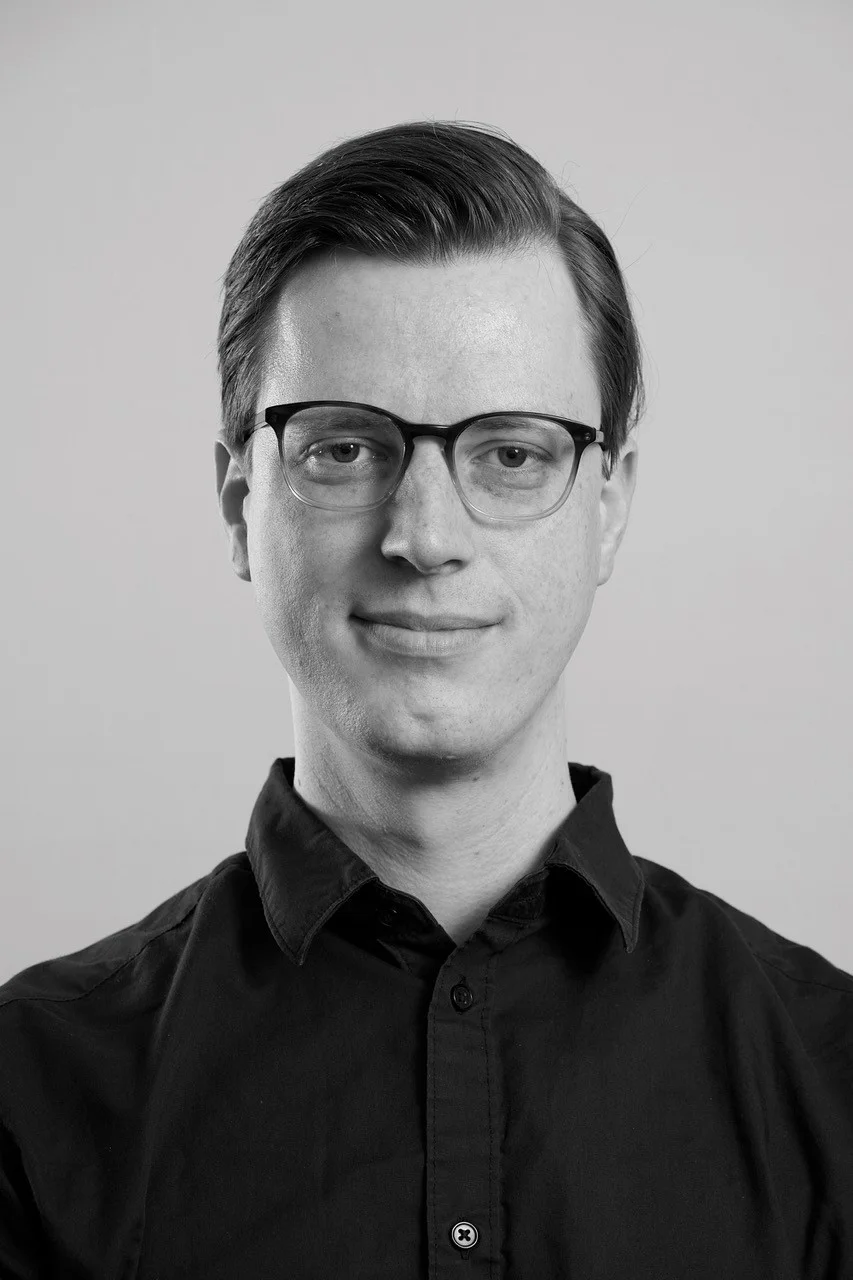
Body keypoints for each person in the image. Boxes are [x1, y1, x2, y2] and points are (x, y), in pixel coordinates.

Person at [1, 120, 851, 1280]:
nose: (424, 536)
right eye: (345, 450)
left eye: (511, 453)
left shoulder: (831, 1075)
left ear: (608, 507)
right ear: (238, 503)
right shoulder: (31, 1092)